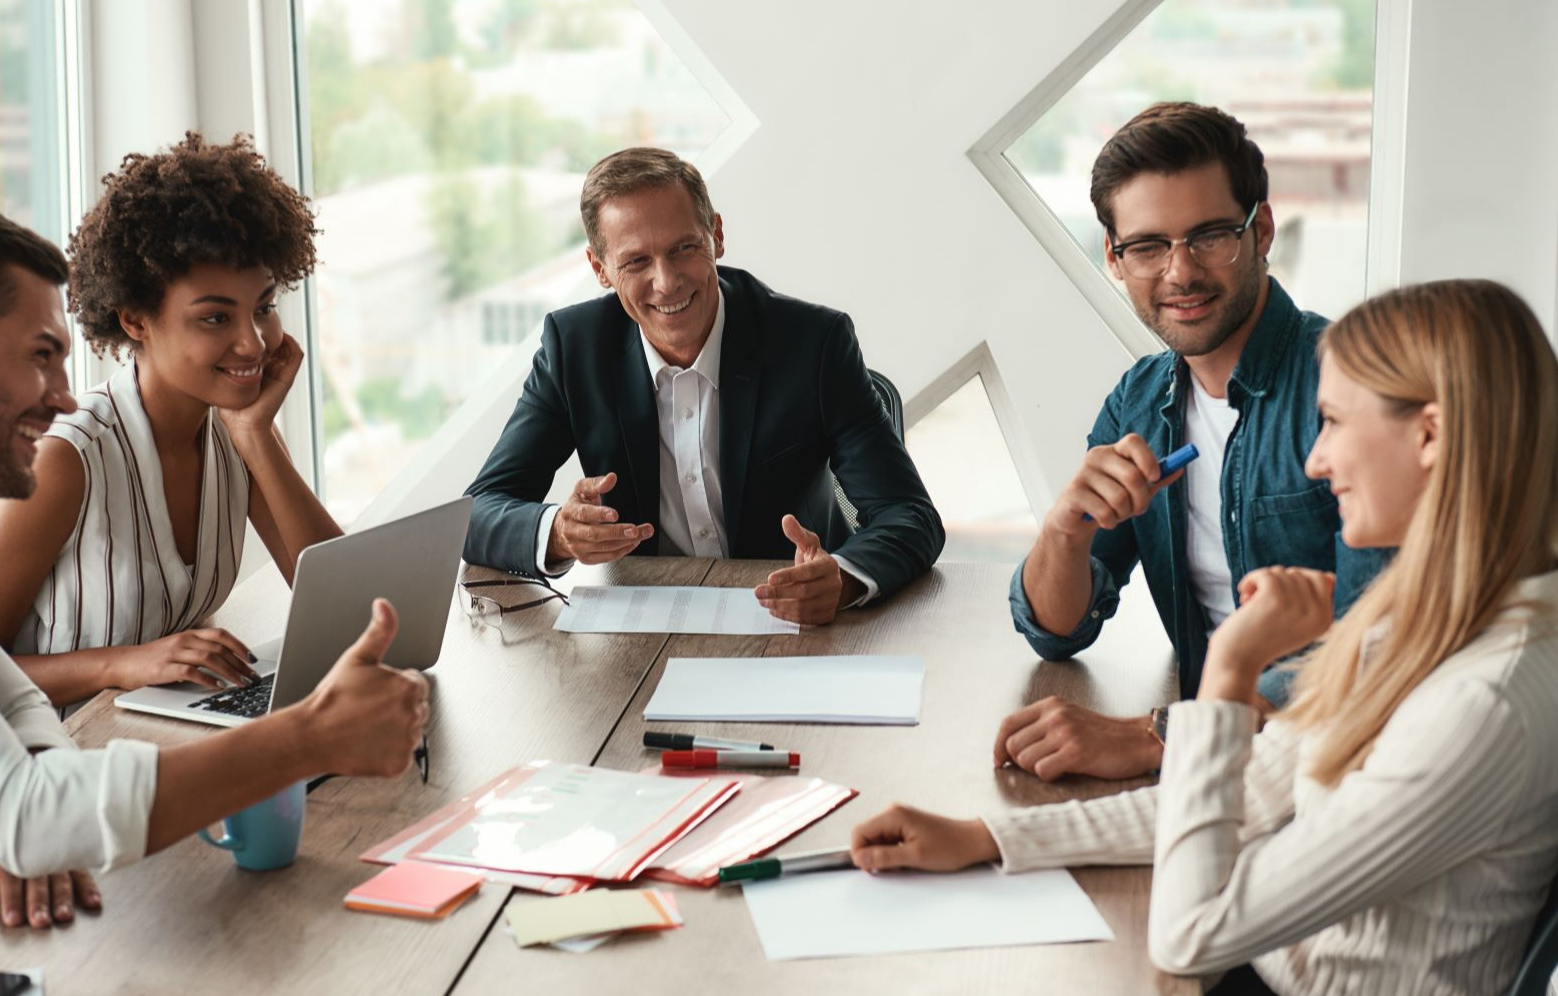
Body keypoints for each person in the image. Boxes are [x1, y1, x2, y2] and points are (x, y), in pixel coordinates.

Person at [851, 279, 1558, 996]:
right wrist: (989, 838)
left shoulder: (1481, 699)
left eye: (1337, 422)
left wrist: (1231, 668)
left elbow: (1194, 935)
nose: (1318, 460)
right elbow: (1245, 797)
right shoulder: (1440, 619)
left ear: (1430, 436)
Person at [0, 204, 428, 930]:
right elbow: (27, 810)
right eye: (38, 356)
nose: (62, 394)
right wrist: (307, 737)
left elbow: (12, 706)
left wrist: (35, 812)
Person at [1000, 103, 1389, 781]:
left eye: (1209, 236)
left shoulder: (1353, 383)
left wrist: (1160, 737)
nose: (1179, 273)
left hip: (1337, 768)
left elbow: (1386, 640)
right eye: (1148, 246)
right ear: (1115, 259)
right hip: (1214, 766)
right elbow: (1058, 631)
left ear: (1260, 229)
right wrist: (1065, 532)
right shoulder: (1139, 401)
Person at [463, 147, 943, 625]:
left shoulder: (813, 344)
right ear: (600, 270)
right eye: (635, 262)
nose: (667, 282)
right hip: (643, 628)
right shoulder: (573, 350)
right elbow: (476, 512)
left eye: (683, 249)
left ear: (715, 234)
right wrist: (557, 533)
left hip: (794, 621)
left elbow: (909, 514)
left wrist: (842, 579)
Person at [0, 133, 341, 708]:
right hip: (56, 757)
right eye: (216, 317)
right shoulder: (65, 460)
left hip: (161, 736)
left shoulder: (240, 431)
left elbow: (352, 611)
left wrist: (256, 435)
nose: (253, 343)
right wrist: (124, 664)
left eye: (264, 307)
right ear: (137, 320)